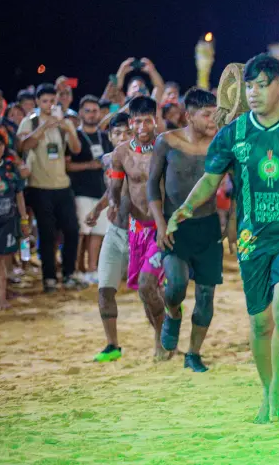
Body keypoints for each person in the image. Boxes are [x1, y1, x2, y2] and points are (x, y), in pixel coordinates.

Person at [168, 54, 279, 422]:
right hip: (253, 238)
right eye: (249, 86)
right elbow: (211, 179)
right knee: (259, 322)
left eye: (262, 85)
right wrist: (184, 209)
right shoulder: (233, 134)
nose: (253, 93)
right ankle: (267, 391)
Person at [148, 88, 221, 373]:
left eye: (216, 113)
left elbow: (238, 184)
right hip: (174, 226)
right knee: (176, 284)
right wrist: (160, 224)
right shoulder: (167, 142)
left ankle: (194, 352)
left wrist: (229, 222)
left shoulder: (219, 143)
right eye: (206, 114)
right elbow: (153, 184)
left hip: (208, 225)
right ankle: (172, 313)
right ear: (189, 116)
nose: (213, 119)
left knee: (205, 295)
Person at [108, 96, 168, 360]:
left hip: (162, 227)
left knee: (148, 284)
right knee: (146, 292)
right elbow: (116, 187)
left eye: (148, 120)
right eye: (137, 121)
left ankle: (161, 338)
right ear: (130, 122)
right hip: (137, 229)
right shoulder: (120, 153)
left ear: (155, 120)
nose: (143, 126)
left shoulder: (167, 146)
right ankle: (163, 331)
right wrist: (111, 204)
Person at [17, 83, 85, 292]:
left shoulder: (63, 121)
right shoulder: (30, 121)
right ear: (37, 102)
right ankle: (49, 278)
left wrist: (68, 129)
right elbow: (22, 146)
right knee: (47, 234)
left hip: (62, 185)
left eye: (52, 101)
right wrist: (44, 126)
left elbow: (76, 149)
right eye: (45, 101)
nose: (49, 105)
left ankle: (68, 274)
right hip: (39, 186)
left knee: (72, 230)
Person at [88, 113, 132, 362]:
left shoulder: (146, 158)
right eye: (117, 133)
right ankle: (112, 345)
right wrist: (98, 208)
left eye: (127, 132)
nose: (122, 137)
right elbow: (111, 190)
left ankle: (162, 342)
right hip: (115, 231)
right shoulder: (107, 160)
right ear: (110, 136)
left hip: (141, 232)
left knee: (151, 293)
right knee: (104, 290)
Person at [66, 95, 113, 284]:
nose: (92, 114)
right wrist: (89, 165)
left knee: (98, 232)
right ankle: (77, 270)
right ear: (80, 113)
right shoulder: (74, 136)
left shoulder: (104, 137)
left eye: (95, 111)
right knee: (82, 232)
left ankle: (92, 269)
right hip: (80, 191)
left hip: (102, 191)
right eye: (88, 111)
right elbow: (67, 166)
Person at [0, 130, 30, 310]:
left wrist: (24, 221)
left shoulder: (10, 170)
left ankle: (2, 299)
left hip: (7, 222)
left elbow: (19, 196)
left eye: (0, 145)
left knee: (2, 260)